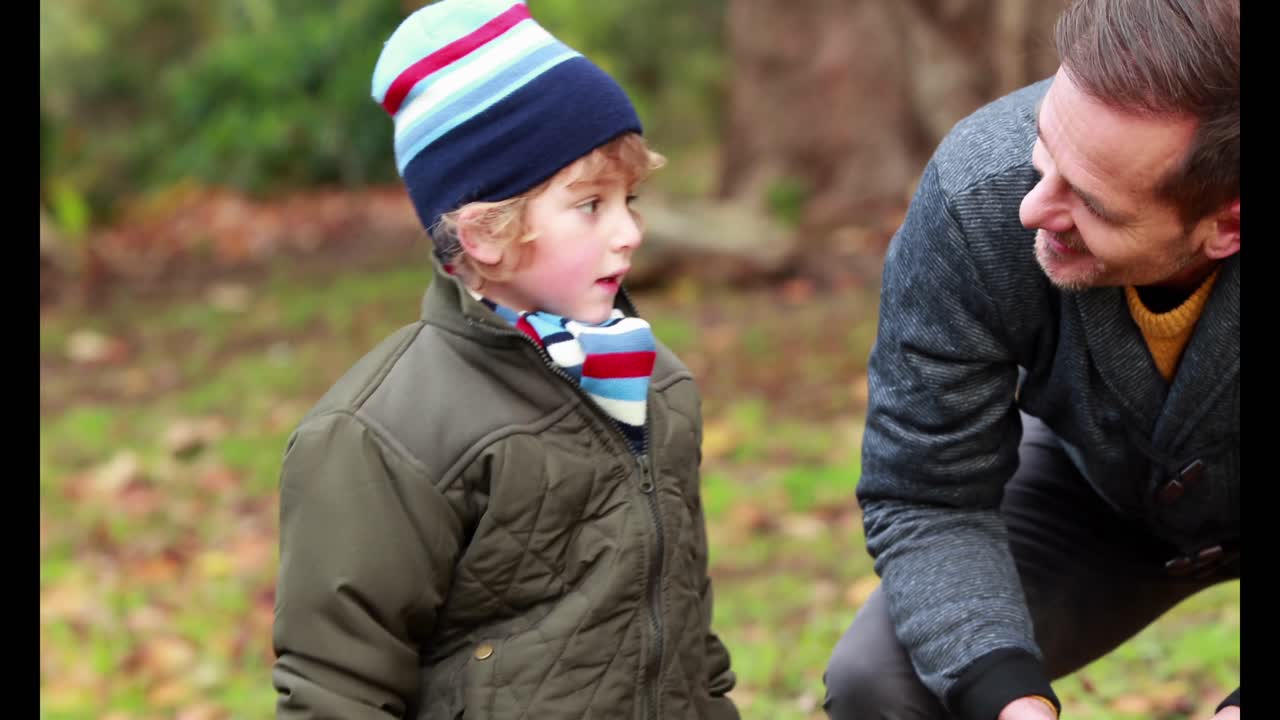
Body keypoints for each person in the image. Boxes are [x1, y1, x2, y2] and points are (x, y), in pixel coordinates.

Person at [270, 1, 738, 718]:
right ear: (486, 231)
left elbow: (688, 641)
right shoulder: (383, 434)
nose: (630, 232)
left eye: (631, 198)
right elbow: (338, 688)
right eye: (590, 205)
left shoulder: (657, 384)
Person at [822, 0, 1239, 718]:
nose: (1032, 209)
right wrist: (1009, 701)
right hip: (1098, 490)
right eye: (1044, 149)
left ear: (1226, 224)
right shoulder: (979, 194)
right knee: (880, 684)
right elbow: (928, 492)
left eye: (1095, 204)